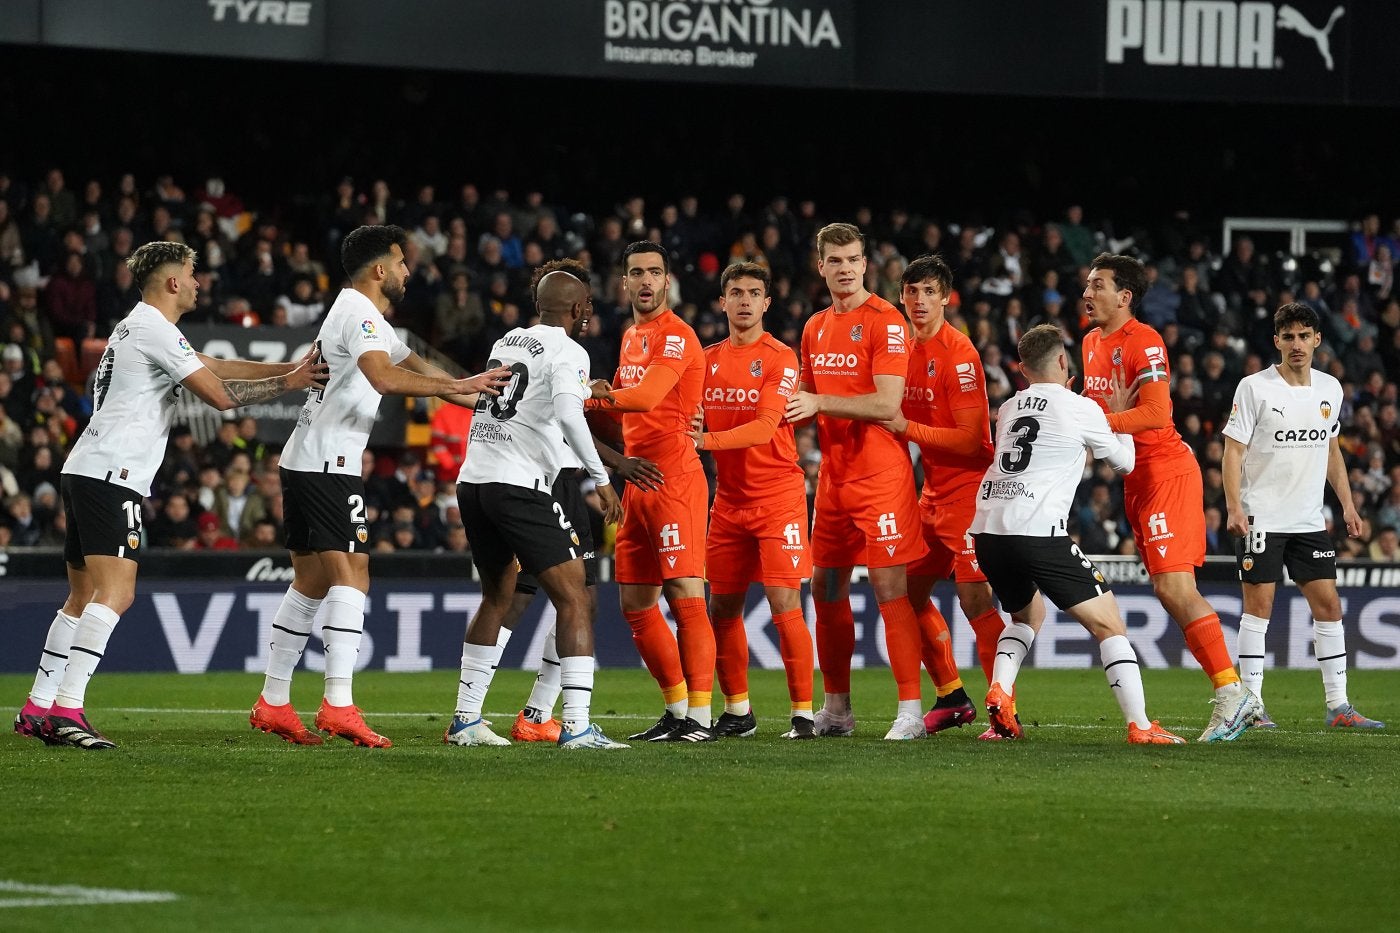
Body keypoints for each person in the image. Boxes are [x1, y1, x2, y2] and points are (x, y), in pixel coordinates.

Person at [13, 241, 326, 748]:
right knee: (116, 593)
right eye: (192, 273)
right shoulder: (153, 329)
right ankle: (68, 710)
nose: (199, 283)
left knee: (81, 596)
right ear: (173, 281)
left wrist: (285, 372)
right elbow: (221, 397)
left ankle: (38, 705)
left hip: (85, 468)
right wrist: (289, 385)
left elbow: (212, 364)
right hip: (112, 475)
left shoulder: (140, 326)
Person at [248, 225, 509, 749]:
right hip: (327, 462)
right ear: (380, 269)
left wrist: (480, 398)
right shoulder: (360, 315)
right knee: (353, 577)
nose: (410, 271)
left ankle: (274, 701)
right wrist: (457, 387)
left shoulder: (359, 313)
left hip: (306, 458)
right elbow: (385, 379)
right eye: (403, 262)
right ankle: (338, 704)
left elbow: (419, 367)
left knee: (311, 583)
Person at [455, 258, 663, 744]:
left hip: (475, 480)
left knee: (496, 596)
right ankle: (576, 725)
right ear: (575, 307)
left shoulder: (505, 341)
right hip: (521, 484)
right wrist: (603, 477)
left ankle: (465, 720)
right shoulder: (570, 351)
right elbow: (570, 417)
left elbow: (537, 404)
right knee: (575, 597)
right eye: (587, 303)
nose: (590, 309)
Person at [971, 324, 1185, 745]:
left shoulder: (1009, 409)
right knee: (1111, 625)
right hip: (1037, 532)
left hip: (988, 531)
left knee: (1027, 617)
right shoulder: (1080, 406)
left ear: (1021, 369)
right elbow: (1123, 463)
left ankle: (1002, 692)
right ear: (1065, 362)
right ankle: (1141, 726)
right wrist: (1117, 416)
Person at [1081, 252, 1262, 743]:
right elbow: (1104, 415)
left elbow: (1157, 413)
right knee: (1167, 591)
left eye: (1098, 286)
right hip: (1135, 478)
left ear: (1125, 296)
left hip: (1166, 472)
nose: (1087, 293)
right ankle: (1233, 691)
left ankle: (1233, 693)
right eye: (1087, 284)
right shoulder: (1090, 343)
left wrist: (1103, 422)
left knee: (1175, 589)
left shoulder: (1146, 341)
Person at [783, 223, 933, 740]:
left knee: (892, 591)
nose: (845, 268)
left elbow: (888, 404)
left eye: (853, 259)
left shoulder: (886, 322)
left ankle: (910, 711)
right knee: (826, 589)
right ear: (820, 266)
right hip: (834, 480)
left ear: (865, 264)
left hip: (882, 478)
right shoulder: (814, 326)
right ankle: (837, 710)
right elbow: (799, 398)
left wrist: (821, 401)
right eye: (835, 260)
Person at [1223, 303, 1384, 730]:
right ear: (1276, 341)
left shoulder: (1330, 389)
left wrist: (1347, 504)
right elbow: (1233, 450)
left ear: (1317, 340)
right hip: (1262, 518)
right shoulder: (1254, 388)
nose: (1297, 344)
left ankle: (1339, 706)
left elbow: (1331, 450)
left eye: (1304, 335)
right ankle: (1252, 706)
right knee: (1259, 609)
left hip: (1309, 521)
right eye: (1288, 336)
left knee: (1329, 606)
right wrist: (1234, 506)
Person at [587, 242, 718, 742]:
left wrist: (585, 394)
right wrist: (597, 409)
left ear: (668, 282)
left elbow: (644, 397)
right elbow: (622, 414)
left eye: (655, 272)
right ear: (624, 282)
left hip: (674, 479)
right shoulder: (631, 337)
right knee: (636, 603)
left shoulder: (678, 336)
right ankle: (677, 709)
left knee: (686, 596)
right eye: (636, 272)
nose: (645, 281)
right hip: (635, 480)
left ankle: (702, 718)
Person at [880, 254, 1005, 739]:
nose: (918, 301)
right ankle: (952, 696)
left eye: (929, 291)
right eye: (911, 292)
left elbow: (973, 438)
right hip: (930, 495)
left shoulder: (960, 353)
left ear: (945, 297)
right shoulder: (900, 349)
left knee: (975, 601)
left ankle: (1003, 707)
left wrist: (907, 428)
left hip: (972, 495)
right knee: (908, 595)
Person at [690, 262, 817, 739]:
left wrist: (705, 442)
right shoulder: (705, 360)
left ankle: (803, 714)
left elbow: (766, 427)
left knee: (785, 605)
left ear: (767, 303)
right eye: (736, 292)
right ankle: (738, 711)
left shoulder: (781, 358)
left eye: (754, 293)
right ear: (722, 302)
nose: (744, 300)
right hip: (728, 503)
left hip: (779, 498)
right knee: (720, 610)